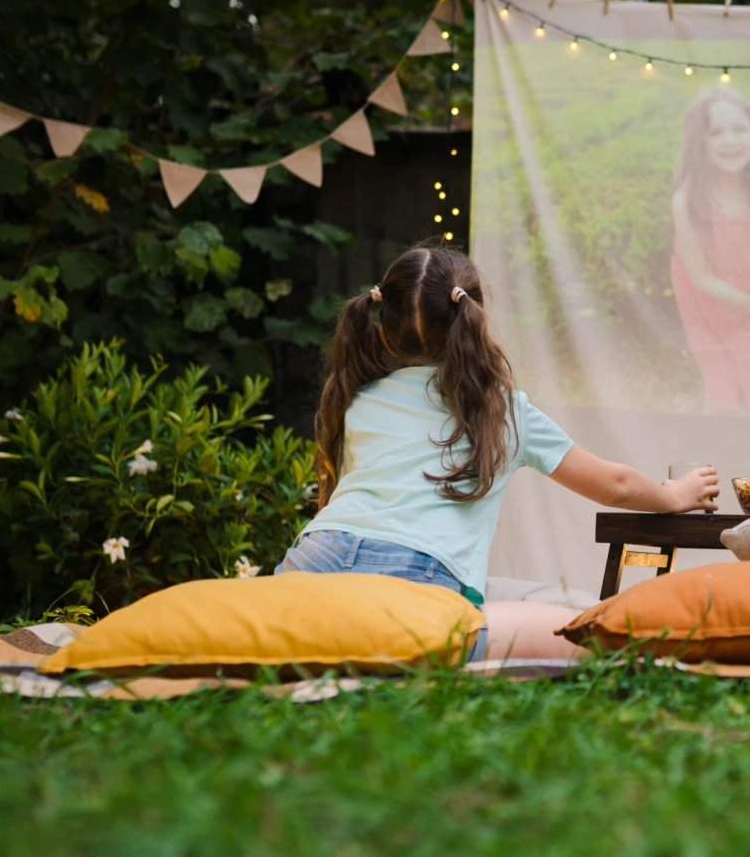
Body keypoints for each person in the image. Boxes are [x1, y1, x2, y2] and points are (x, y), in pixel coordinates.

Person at [276, 243, 720, 661]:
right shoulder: (500, 409)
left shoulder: (360, 398)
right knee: (588, 633)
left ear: (384, 331)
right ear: (475, 319)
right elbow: (615, 485)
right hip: (415, 579)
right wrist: (673, 496)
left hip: (311, 562)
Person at [670, 87, 750, 416]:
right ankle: (715, 456)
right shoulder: (688, 200)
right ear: (700, 143)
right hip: (708, 302)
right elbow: (701, 277)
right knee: (720, 384)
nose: (731, 140)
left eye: (740, 129)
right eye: (717, 133)